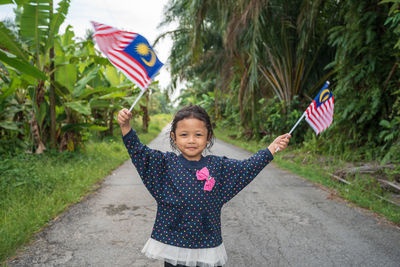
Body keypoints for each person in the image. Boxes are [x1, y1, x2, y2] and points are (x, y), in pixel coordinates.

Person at [117, 105, 291, 267]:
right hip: (173, 244)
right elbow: (140, 153)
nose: (191, 140)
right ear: (174, 137)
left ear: (208, 137)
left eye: (198, 135)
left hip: (207, 245)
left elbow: (246, 168)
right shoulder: (164, 164)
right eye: (184, 134)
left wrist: (271, 149)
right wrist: (126, 127)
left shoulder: (219, 167)